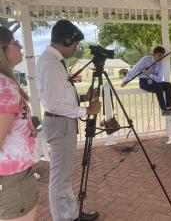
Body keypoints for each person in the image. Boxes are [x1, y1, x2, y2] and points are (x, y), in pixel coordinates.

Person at [36, 20, 101, 221]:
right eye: (75, 44)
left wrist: (83, 97)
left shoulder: (54, 62)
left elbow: (61, 96)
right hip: (59, 123)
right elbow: (56, 104)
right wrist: (87, 109)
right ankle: (62, 218)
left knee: (64, 176)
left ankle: (71, 214)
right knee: (59, 179)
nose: (75, 48)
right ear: (65, 40)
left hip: (63, 122)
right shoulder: (49, 63)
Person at [0, 27, 39, 220]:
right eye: (15, 42)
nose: (20, 46)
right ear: (2, 49)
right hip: (12, 181)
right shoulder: (4, 85)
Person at [121, 46, 171, 116]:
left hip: (154, 81)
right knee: (158, 87)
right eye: (159, 55)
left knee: (168, 85)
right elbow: (134, 70)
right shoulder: (145, 60)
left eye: (162, 56)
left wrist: (149, 74)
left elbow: (159, 79)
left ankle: (169, 108)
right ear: (154, 54)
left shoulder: (160, 64)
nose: (161, 58)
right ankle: (164, 110)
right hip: (144, 82)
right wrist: (125, 81)